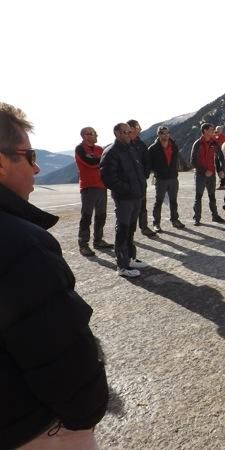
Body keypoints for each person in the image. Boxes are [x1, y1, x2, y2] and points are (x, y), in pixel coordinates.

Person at [0, 102, 108, 449]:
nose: (37, 167)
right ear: (1, 164)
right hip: (32, 429)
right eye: (29, 156)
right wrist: (85, 415)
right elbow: (62, 350)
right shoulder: (20, 245)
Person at [100, 123, 148, 277]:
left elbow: (138, 170)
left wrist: (140, 187)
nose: (129, 134)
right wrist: (126, 189)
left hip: (136, 197)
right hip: (124, 199)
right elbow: (107, 178)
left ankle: (130, 258)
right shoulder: (111, 152)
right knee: (122, 230)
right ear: (117, 133)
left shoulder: (131, 148)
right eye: (125, 132)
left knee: (131, 229)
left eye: (130, 131)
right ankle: (122, 266)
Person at [75, 126, 113, 256]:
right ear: (86, 135)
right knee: (86, 217)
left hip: (101, 186)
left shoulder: (99, 149)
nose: (96, 135)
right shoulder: (80, 149)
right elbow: (89, 163)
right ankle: (83, 245)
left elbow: (103, 163)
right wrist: (102, 161)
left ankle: (98, 240)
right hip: (88, 187)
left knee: (101, 215)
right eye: (94, 133)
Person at [148, 125, 185, 231]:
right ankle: (156, 223)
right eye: (163, 133)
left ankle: (175, 220)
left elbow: (178, 158)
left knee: (173, 200)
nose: (166, 135)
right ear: (159, 134)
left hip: (173, 178)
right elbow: (149, 164)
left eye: (167, 133)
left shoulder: (174, 146)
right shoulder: (153, 148)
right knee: (158, 201)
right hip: (161, 179)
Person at [190, 122, 225, 225]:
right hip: (200, 175)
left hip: (212, 175)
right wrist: (204, 171)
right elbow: (193, 160)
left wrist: (221, 170)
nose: (213, 131)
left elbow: (221, 157)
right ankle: (197, 218)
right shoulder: (197, 144)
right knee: (198, 197)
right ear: (205, 131)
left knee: (212, 196)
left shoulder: (214, 143)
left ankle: (215, 216)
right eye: (211, 130)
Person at [128, 119, 156, 237]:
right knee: (128, 208)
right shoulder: (125, 143)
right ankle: (128, 232)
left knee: (142, 206)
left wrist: (145, 173)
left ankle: (144, 227)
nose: (140, 128)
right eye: (138, 126)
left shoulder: (140, 143)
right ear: (132, 128)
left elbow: (147, 160)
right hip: (128, 183)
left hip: (141, 181)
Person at [214, 125, 225, 190]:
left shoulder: (222, 137)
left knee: (221, 169)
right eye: (216, 129)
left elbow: (219, 144)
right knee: (218, 169)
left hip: (221, 155)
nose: (217, 131)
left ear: (221, 131)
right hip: (216, 155)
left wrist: (214, 136)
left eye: (218, 130)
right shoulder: (215, 136)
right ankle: (223, 183)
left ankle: (223, 184)